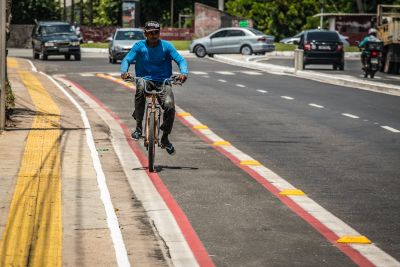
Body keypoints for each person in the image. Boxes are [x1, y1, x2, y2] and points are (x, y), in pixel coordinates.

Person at [120, 21, 188, 155]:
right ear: (145, 33)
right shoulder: (139, 46)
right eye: (150, 33)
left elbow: (181, 60)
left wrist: (183, 73)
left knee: (169, 106)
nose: (153, 35)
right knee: (139, 88)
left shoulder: (167, 46)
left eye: (156, 32)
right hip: (144, 80)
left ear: (159, 33)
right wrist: (124, 71)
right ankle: (139, 127)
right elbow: (127, 60)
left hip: (164, 81)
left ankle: (165, 138)